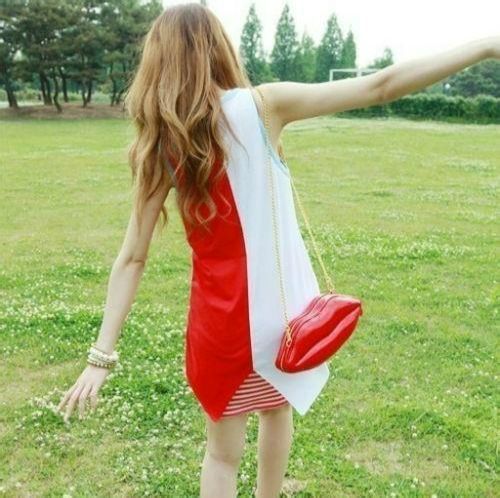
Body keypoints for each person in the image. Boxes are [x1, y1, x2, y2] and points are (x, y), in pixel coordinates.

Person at [56, 3, 498, 497]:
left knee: (221, 457)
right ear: (217, 49)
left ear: (159, 62)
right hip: (280, 321)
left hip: (217, 328)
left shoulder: (163, 143)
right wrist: (484, 46)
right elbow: (381, 86)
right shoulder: (265, 106)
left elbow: (132, 257)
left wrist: (101, 356)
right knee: (276, 408)